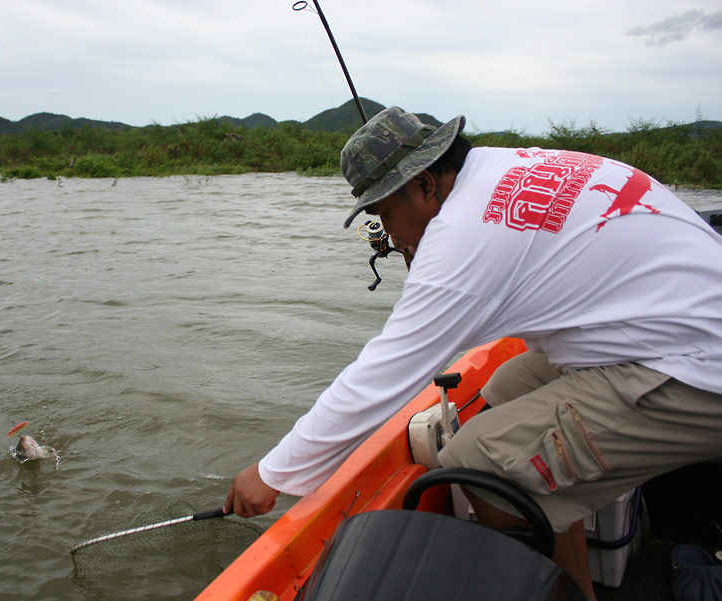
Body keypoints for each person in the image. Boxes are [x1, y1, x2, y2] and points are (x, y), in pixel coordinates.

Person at [224, 106, 722, 599]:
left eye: (383, 212)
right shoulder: (504, 167)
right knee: (505, 386)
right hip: (676, 324)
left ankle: (557, 585)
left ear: (423, 186)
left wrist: (272, 474)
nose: (386, 233)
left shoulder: (461, 235)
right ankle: (579, 585)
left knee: (476, 465)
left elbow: (382, 374)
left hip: (694, 371)